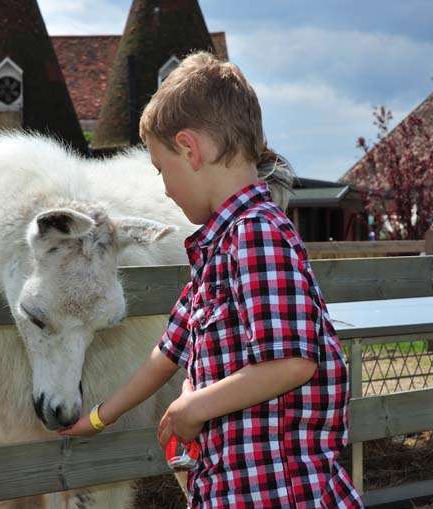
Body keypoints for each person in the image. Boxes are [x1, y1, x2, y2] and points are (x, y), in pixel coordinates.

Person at [60, 51, 363, 509]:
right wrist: (98, 418)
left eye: (162, 170)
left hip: (280, 490)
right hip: (233, 487)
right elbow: (166, 354)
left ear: (190, 148)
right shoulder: (216, 250)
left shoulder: (257, 234)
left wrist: (193, 406)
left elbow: (292, 363)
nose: (164, 188)